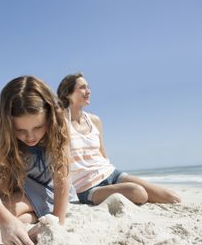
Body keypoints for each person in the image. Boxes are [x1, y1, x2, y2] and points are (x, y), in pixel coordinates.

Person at [56, 73, 181, 205]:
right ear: (67, 94)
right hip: (87, 187)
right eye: (82, 87)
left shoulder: (95, 120)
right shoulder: (60, 122)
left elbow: (102, 154)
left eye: (88, 87)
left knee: (172, 197)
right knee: (138, 193)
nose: (88, 91)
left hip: (111, 174)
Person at [0, 76, 71, 245]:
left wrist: (57, 223)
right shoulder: (4, 137)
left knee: (6, 209)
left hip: (48, 188)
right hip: (22, 182)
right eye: (20, 130)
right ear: (8, 125)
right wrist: (6, 223)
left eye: (38, 127)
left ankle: (32, 211)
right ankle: (31, 212)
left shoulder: (60, 127)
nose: (30, 137)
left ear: (50, 117)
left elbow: (62, 178)